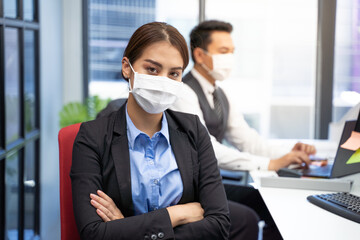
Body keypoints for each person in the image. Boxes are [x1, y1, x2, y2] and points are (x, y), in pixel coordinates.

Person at [71, 22, 257, 240]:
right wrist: (175, 214)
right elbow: (94, 234)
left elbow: (219, 225)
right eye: (152, 69)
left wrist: (127, 227)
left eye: (174, 73)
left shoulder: (194, 130)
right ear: (126, 68)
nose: (163, 81)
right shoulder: (92, 136)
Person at [171, 19, 316, 173]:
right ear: (199, 55)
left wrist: (289, 154)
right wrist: (270, 164)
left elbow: (247, 140)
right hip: (191, 188)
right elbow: (207, 147)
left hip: (211, 181)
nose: (230, 58)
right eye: (223, 51)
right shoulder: (184, 92)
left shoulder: (220, 95)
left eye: (232, 52)